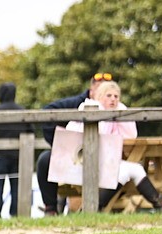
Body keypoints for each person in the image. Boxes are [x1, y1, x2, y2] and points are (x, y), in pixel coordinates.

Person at [65, 80, 162, 213]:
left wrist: (122, 113)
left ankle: (161, 206)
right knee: (123, 171)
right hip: (82, 163)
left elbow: (130, 136)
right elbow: (87, 135)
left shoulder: (115, 115)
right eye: (108, 96)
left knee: (134, 169)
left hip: (104, 162)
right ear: (100, 96)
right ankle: (94, 207)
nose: (113, 99)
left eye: (116, 96)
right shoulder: (89, 108)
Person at [34, 72, 108, 215]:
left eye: (109, 92)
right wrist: (59, 143)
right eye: (101, 90)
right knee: (45, 160)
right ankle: (51, 208)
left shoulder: (118, 107)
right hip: (76, 156)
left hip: (107, 157)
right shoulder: (77, 104)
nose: (107, 96)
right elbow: (47, 112)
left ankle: (99, 207)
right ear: (91, 92)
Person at [0, 82, 30, 218]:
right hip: (18, 156)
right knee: (16, 187)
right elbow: (30, 131)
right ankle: (15, 213)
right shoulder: (23, 111)